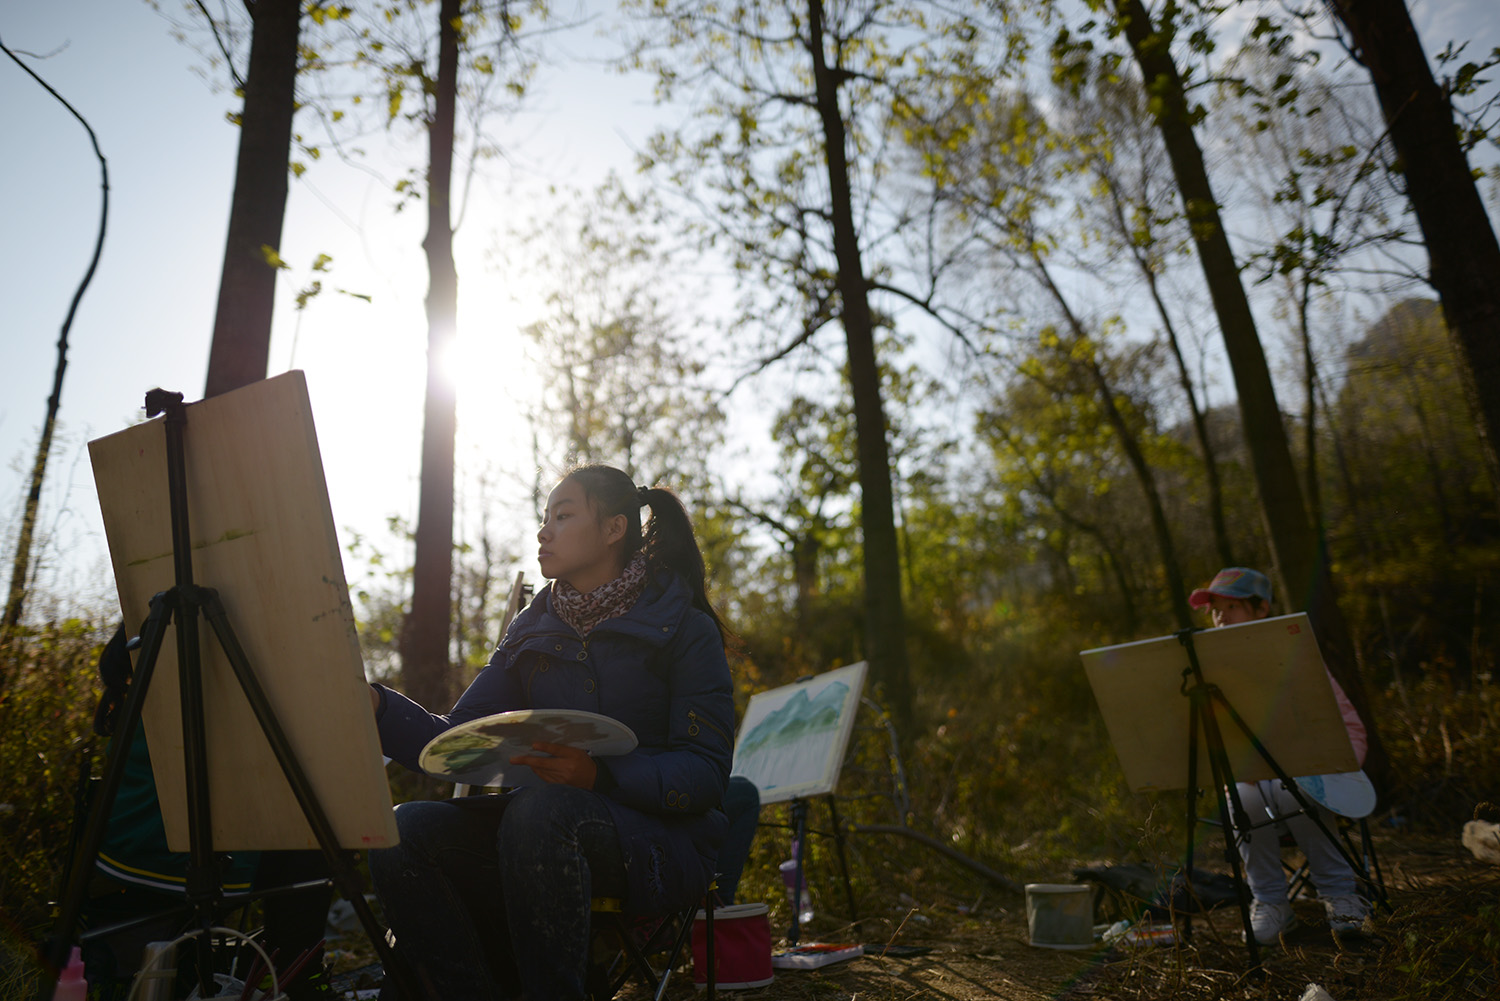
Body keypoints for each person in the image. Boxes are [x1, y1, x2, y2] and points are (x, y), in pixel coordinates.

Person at [368, 465, 735, 1001]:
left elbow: (706, 773)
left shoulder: (684, 626)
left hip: (662, 842)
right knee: (405, 830)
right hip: (539, 832)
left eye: (563, 517)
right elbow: (456, 742)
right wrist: (376, 707)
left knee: (541, 811)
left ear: (614, 529)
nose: (544, 532)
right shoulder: (531, 630)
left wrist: (600, 776)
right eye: (544, 519)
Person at [1189, 566, 1371, 945]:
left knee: (1294, 791)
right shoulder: (1212, 670)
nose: (1221, 617)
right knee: (1243, 798)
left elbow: (1350, 728)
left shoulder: (1297, 657)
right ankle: (1271, 903)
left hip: (1311, 777)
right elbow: (1214, 746)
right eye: (1216, 610)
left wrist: (1339, 765)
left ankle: (1341, 895)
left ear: (1261, 609)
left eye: (1232, 607)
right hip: (1253, 782)